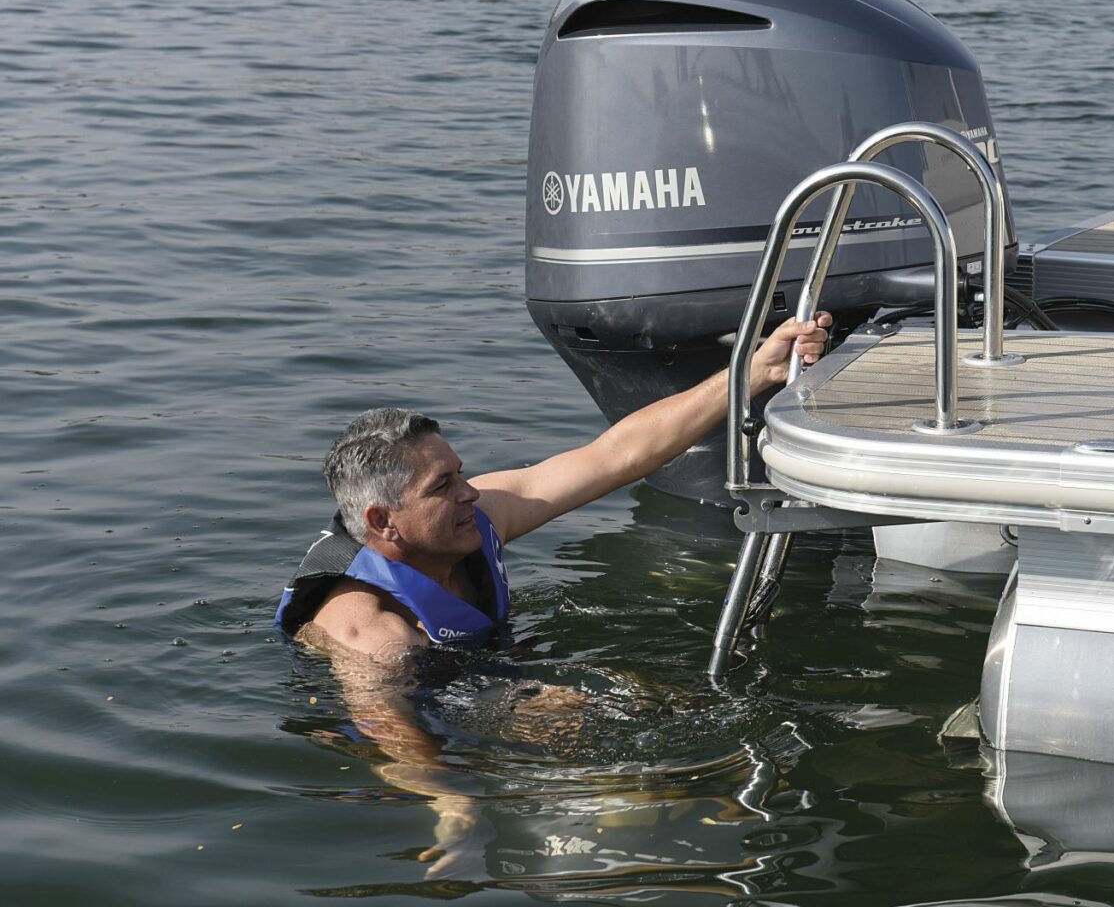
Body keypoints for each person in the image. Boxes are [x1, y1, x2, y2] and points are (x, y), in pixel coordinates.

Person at [275, 312, 832, 875]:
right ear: (382, 520)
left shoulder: (467, 519)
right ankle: (663, 819)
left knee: (652, 700)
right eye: (442, 487)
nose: (472, 493)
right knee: (593, 738)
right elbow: (386, 726)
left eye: (459, 473)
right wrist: (454, 805)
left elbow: (618, 455)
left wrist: (751, 373)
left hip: (488, 663)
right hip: (430, 698)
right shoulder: (367, 625)